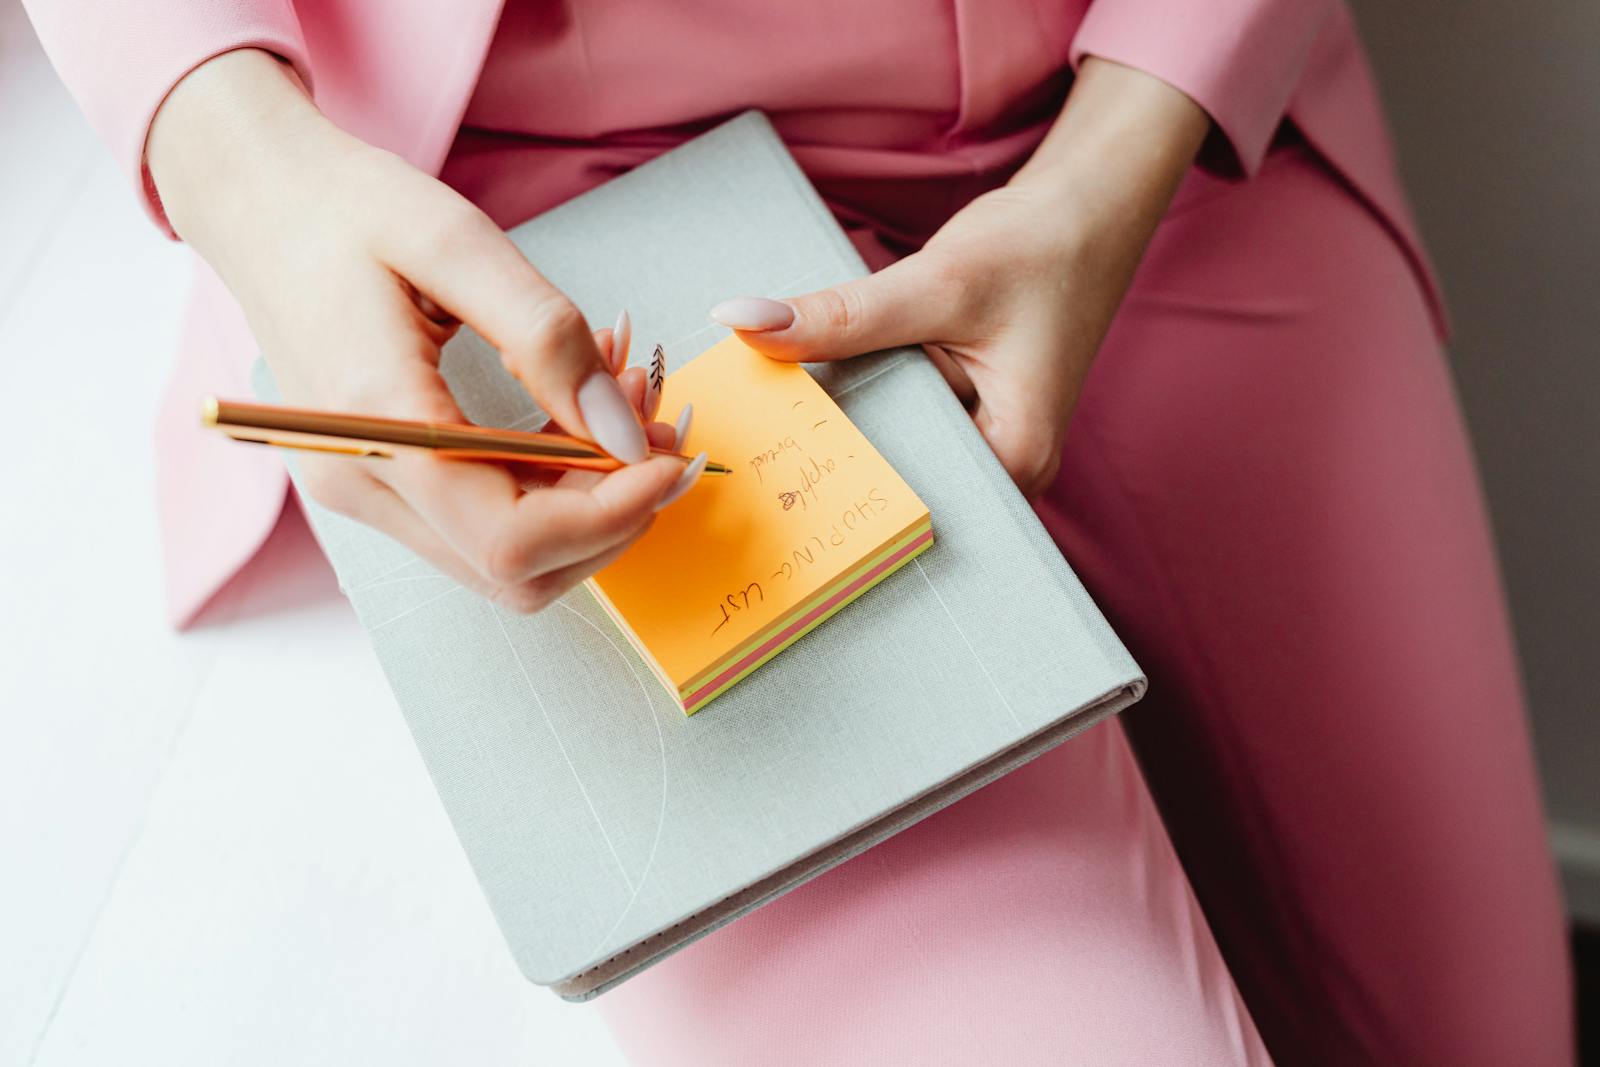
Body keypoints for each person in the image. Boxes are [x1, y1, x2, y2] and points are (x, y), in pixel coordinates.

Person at [24, 1, 1573, 1062]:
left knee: (1478, 1037)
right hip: (546, 215)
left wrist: (1132, 136)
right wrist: (240, 158)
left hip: (1152, 131)